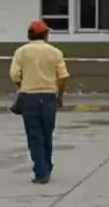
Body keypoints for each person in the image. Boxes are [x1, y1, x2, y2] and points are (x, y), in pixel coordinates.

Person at [9, 20, 69, 184]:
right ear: (45, 34)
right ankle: (47, 167)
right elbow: (63, 77)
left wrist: (23, 86)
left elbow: (14, 75)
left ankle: (41, 172)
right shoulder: (55, 52)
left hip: (29, 97)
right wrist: (60, 97)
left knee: (34, 136)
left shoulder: (21, 52)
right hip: (49, 97)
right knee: (47, 134)